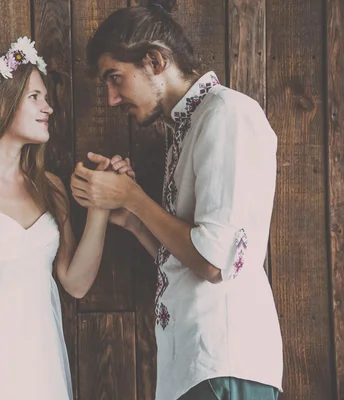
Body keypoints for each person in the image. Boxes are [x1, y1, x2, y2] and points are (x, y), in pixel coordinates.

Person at [70, 2, 284, 400]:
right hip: (192, 365)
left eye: (115, 78)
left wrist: (134, 198)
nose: (112, 99)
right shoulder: (184, 130)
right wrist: (133, 218)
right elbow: (185, 260)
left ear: (154, 60)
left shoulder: (226, 114)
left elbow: (213, 261)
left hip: (225, 361)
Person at [0, 37, 133, 400]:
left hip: (40, 360)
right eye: (35, 97)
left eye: (46, 98)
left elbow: (76, 283)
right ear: (0, 102)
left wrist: (99, 206)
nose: (48, 107)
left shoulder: (49, 187)